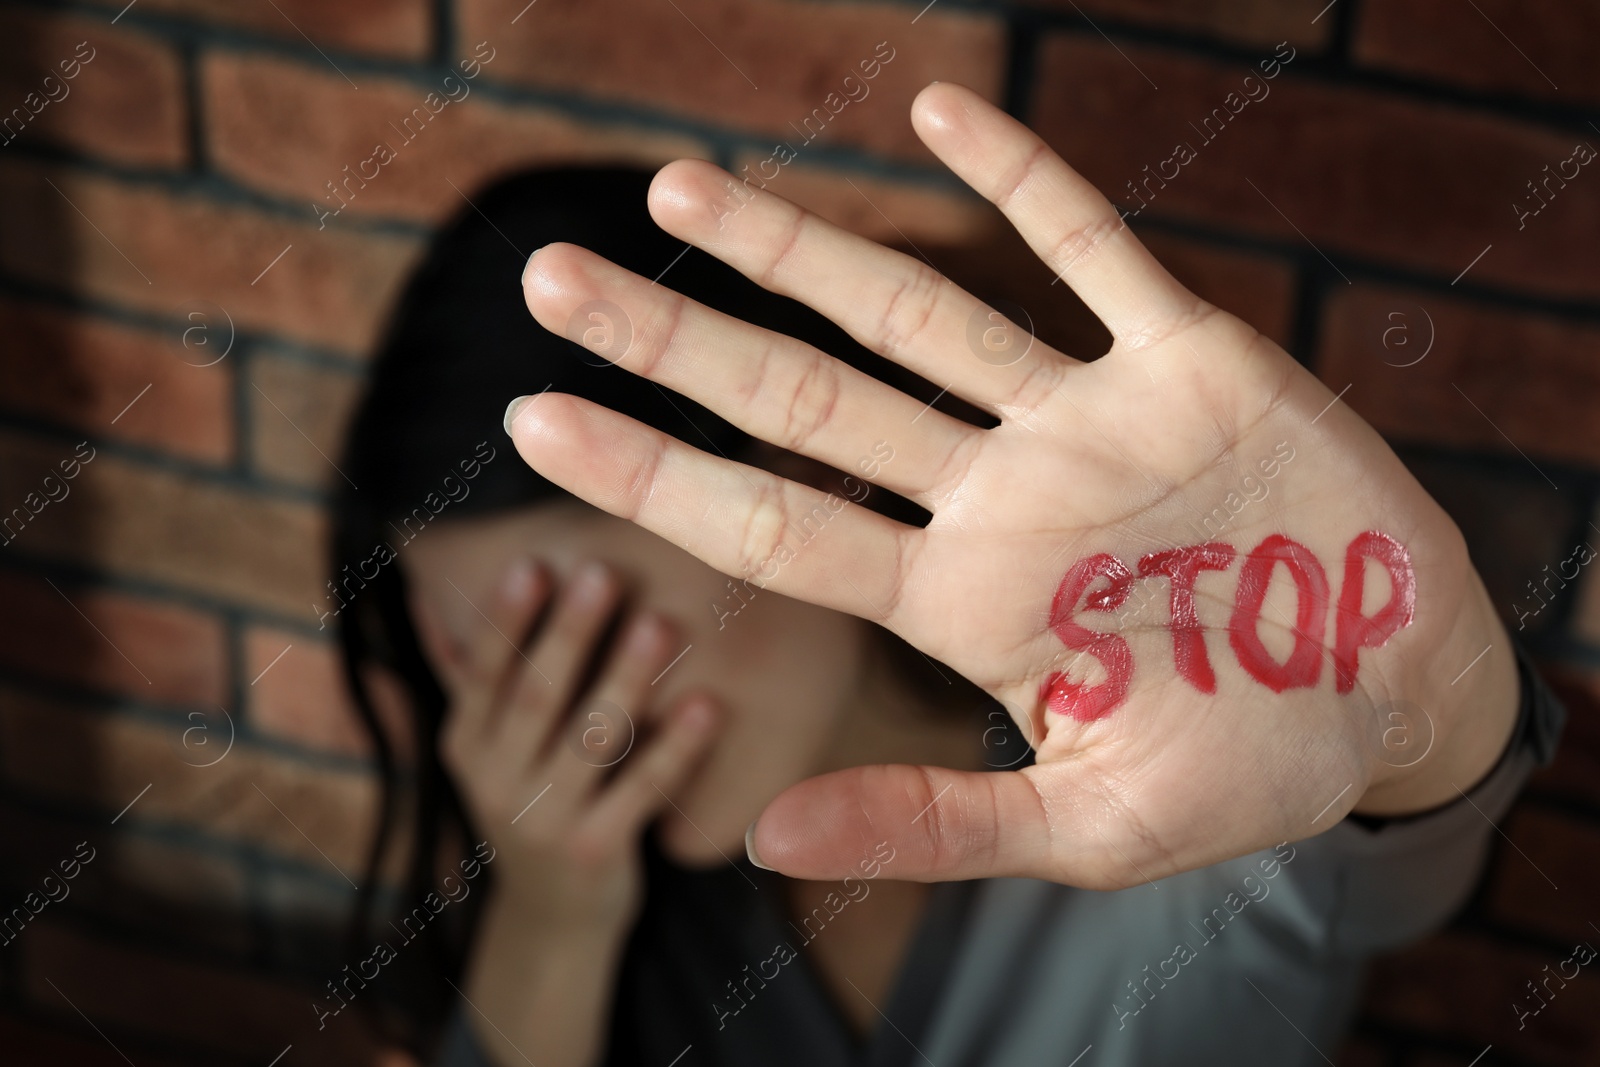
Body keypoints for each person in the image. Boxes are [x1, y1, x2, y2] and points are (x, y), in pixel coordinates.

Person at [332, 87, 1563, 1066]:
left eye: (580, 635)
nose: (569, 729)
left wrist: (1428, 702)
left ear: (779, 480)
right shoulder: (620, 905)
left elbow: (1376, 846)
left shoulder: (1152, 744)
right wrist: (552, 916)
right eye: (485, 673)